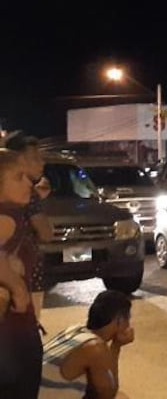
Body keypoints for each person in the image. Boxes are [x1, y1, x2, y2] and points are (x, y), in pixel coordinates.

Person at [42, 289, 135, 399]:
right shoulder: (95, 348)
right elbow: (108, 394)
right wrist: (116, 346)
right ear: (119, 320)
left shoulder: (75, 329)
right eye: (128, 319)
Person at [0, 148, 39, 399]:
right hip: (11, 338)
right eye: (18, 177)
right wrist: (18, 288)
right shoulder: (6, 216)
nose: (28, 183)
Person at [3, 133, 51, 317]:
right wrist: (18, 289)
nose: (42, 163)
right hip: (25, 284)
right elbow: (46, 233)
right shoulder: (24, 198)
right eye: (35, 158)